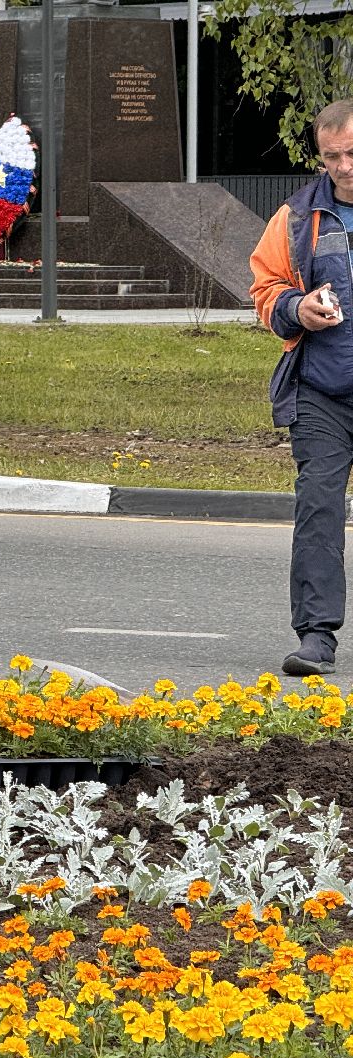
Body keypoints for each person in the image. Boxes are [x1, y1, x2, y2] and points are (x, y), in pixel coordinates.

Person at [251, 99, 353, 676]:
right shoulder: (294, 218)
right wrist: (297, 306)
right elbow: (265, 289)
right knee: (318, 509)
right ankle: (316, 638)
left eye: (352, 153)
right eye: (332, 156)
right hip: (322, 391)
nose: (343, 166)